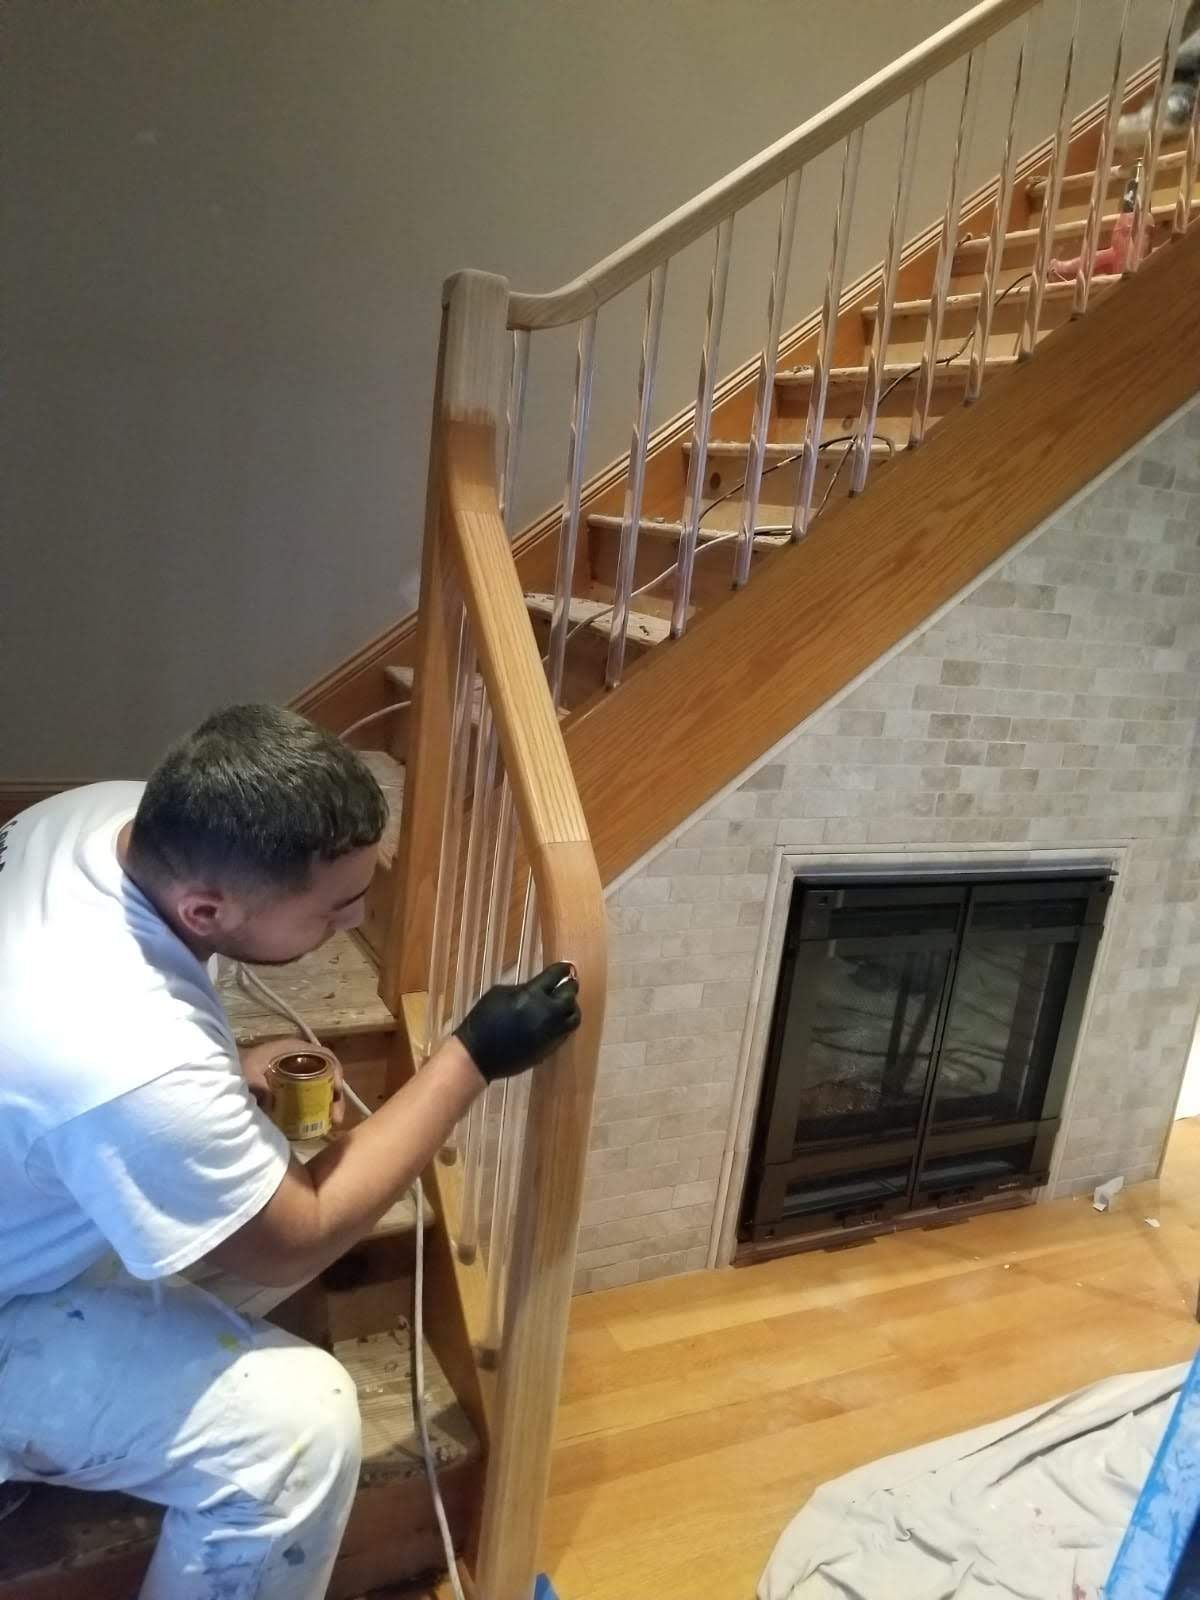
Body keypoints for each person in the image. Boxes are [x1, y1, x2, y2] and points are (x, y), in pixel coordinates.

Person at [0, 703, 581, 1600]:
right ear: (206, 908)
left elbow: (64, 1072)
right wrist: (471, 1057)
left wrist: (218, 1070)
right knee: (296, 1431)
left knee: (241, 1192)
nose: (354, 923)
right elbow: (297, 1235)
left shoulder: (99, 819)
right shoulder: (126, 1054)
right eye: (335, 906)